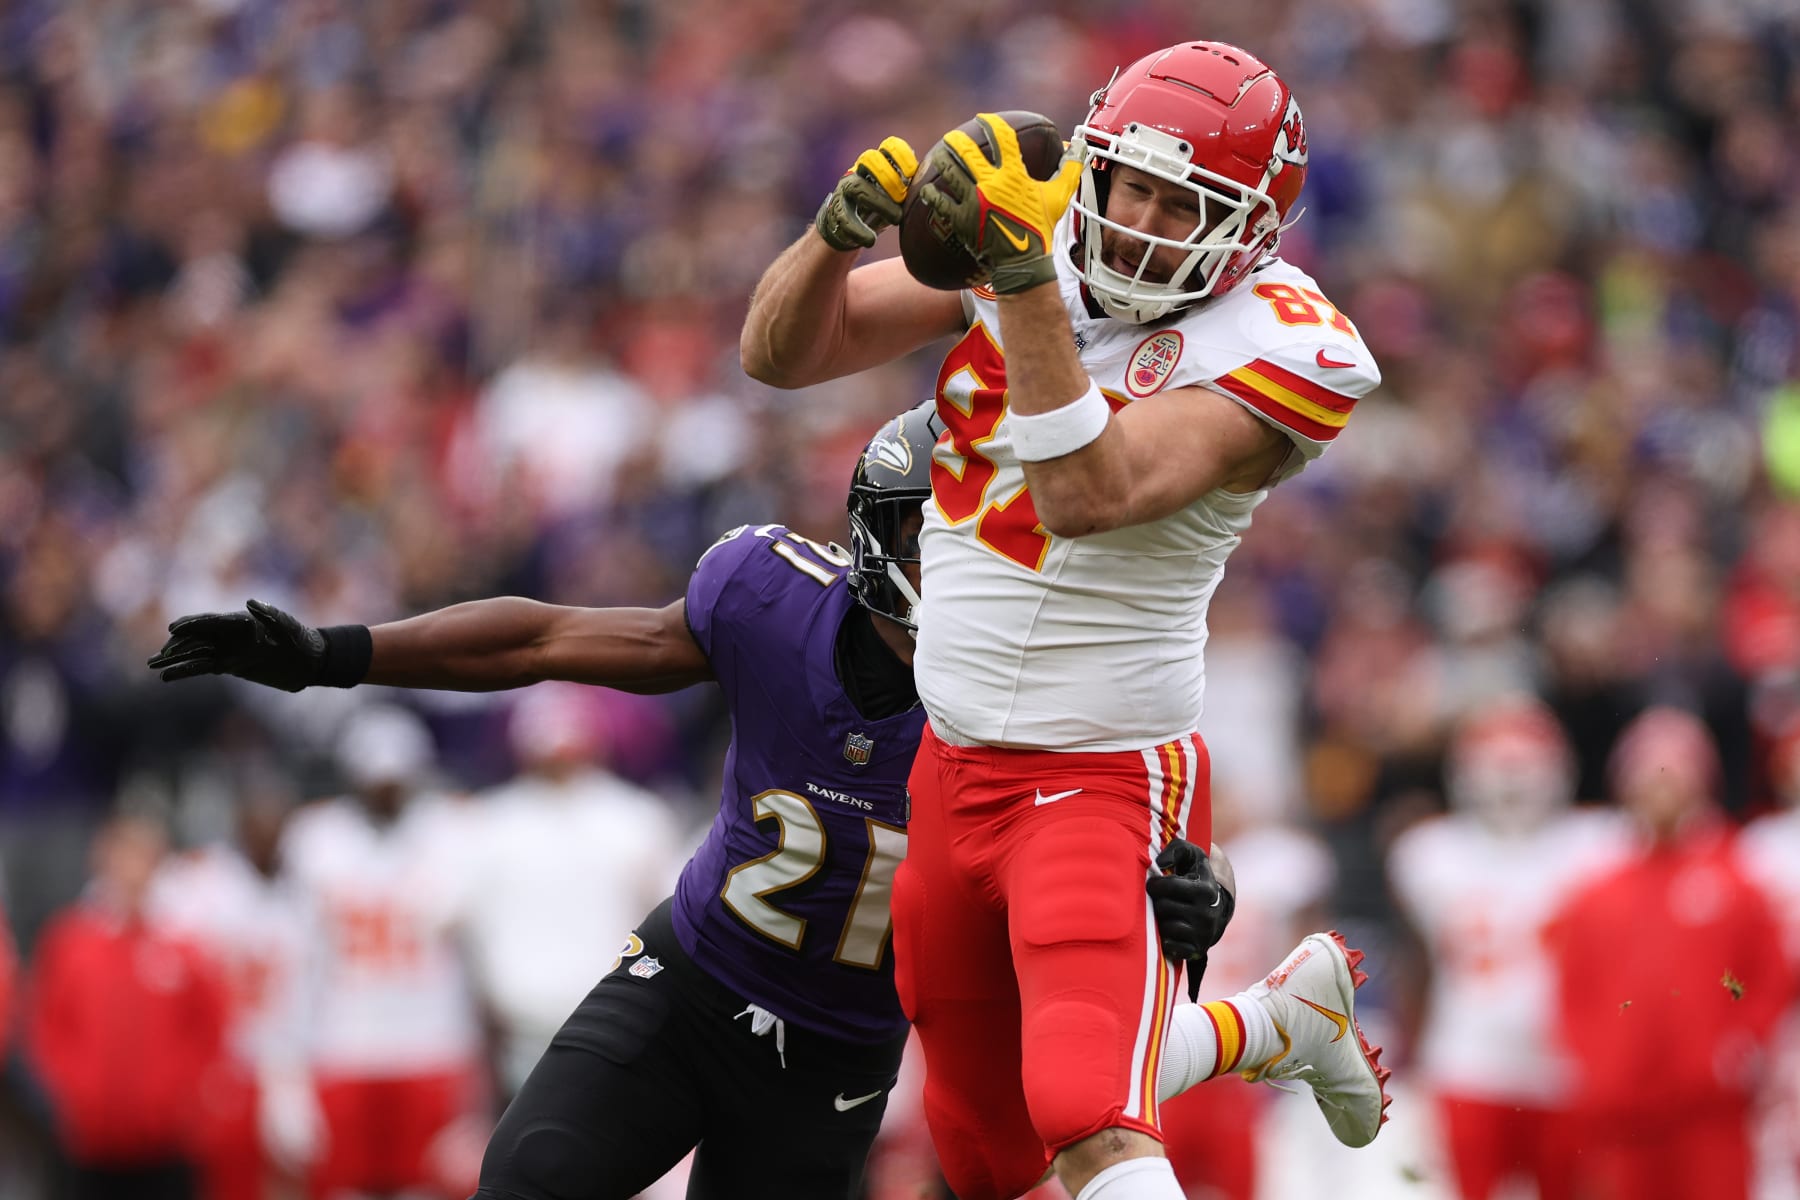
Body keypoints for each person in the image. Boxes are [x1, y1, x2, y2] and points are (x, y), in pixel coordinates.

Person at [148, 406, 1309, 1200]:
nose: (973, 560)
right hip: (691, 985)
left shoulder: (1048, 700)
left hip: (843, 1058)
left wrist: (1195, 892)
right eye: (944, 530)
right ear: (881, 528)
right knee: (528, 1182)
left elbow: (1143, 844)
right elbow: (553, 636)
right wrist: (339, 653)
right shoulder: (768, 599)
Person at [741, 40, 1389, 1200]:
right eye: (1128, 183)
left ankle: (1263, 1026)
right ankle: (1270, 1024)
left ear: (1249, 232)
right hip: (951, 764)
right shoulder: (1040, 252)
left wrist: (1024, 274)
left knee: (1087, 1112)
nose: (1138, 220)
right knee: (987, 1153)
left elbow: (1087, 494)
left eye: (1181, 202)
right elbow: (786, 353)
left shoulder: (1290, 344)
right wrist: (836, 235)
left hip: (1099, 771)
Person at [1545, 707, 1793, 1200]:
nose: (1660, 789)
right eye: (1648, 776)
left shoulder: (1736, 876)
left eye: (1674, 776)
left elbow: (1768, 975)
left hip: (1709, 1110)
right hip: (1621, 1110)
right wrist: (1595, 1065)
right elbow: (1574, 986)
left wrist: (1739, 1048)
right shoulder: (1597, 889)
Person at [1385, 697, 1628, 1200]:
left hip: (1565, 1067)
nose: (1513, 785)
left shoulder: (1599, 843)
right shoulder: (1432, 852)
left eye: (1526, 769)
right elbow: (1416, 965)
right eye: (1499, 769)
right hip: (1469, 1060)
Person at [23, 809, 229, 1200]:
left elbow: (211, 1029)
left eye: (142, 856)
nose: (131, 868)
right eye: (123, 855)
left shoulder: (184, 945)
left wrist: (182, 1099)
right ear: (102, 861)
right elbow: (45, 1026)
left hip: (167, 1143)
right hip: (89, 1144)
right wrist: (75, 1093)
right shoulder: (70, 941)